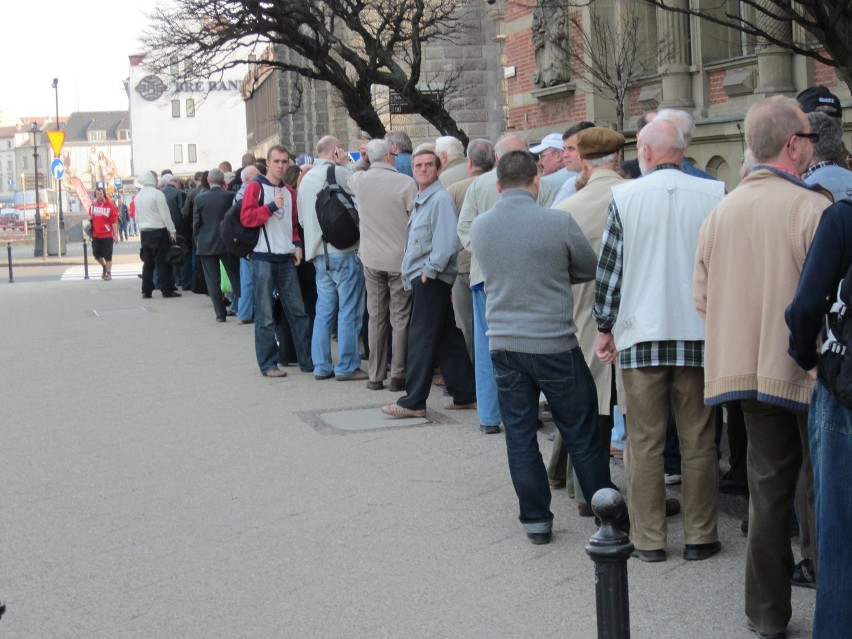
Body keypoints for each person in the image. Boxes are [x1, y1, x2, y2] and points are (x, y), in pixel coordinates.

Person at [693, 95, 829, 639]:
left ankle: (767, 616)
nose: (812, 147)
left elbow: (701, 298)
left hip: (742, 370)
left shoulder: (721, 211)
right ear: (793, 145)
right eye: (809, 138)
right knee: (824, 488)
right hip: (808, 371)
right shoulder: (810, 208)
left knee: (768, 491)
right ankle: (832, 605)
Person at [470, 149, 626, 544]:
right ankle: (604, 513)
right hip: (554, 342)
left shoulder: (483, 227)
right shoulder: (558, 221)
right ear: (537, 181)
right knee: (582, 429)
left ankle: (536, 520)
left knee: (519, 434)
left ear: (498, 185)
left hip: (504, 343)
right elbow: (589, 267)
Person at [593, 118, 725, 563]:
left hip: (641, 333)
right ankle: (701, 534)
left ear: (645, 153)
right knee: (699, 439)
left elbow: (609, 272)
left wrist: (605, 326)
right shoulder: (715, 194)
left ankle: (649, 539)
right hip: (699, 334)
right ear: (683, 151)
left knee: (644, 441)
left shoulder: (625, 197)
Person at [458, 134, 557, 434]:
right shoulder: (544, 185)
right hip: (529, 274)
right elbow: (551, 225)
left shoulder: (479, 184)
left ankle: (489, 416)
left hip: (485, 274)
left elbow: (464, 228)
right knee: (528, 344)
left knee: (489, 346)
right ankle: (527, 411)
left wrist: (489, 248)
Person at [551, 127, 627, 516]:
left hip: (580, 318)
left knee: (587, 410)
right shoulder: (634, 198)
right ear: (619, 157)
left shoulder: (566, 210)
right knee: (635, 414)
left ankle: (585, 490)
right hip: (628, 320)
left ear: (582, 161)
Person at [786, 199, 852, 639]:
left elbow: (806, 305)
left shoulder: (845, 218)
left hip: (844, 388)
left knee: (839, 533)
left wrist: (809, 358)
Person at [381, 149, 476, 419]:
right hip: (425, 277)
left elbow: (447, 243)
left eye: (428, 165)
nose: (422, 169)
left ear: (437, 169)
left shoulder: (440, 199)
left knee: (421, 338)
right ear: (412, 169)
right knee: (447, 338)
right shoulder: (424, 198)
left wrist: (429, 271)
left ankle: (414, 401)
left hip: (431, 279)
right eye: (418, 165)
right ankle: (466, 393)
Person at [348, 138, 418, 391]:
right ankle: (398, 373)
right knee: (400, 318)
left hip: (371, 258)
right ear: (390, 156)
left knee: (376, 317)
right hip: (399, 259)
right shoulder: (406, 183)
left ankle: (375, 375)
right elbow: (415, 219)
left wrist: (366, 157)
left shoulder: (361, 181)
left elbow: (352, 172)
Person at [297, 135, 367, 381]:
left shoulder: (304, 181)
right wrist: (348, 164)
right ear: (336, 150)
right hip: (343, 250)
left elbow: (304, 221)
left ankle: (321, 365)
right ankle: (347, 365)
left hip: (317, 253)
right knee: (349, 308)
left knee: (324, 309)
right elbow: (361, 187)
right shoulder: (336, 173)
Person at [241, 145, 313, 378]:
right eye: (277, 161)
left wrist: (297, 245)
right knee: (265, 315)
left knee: (298, 312)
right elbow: (247, 218)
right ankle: (268, 364)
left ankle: (307, 360)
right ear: (268, 163)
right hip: (262, 257)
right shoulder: (255, 187)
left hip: (284, 257)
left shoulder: (290, 192)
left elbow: (292, 225)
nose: (281, 166)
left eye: (285, 162)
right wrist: (271, 207)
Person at [446, 138, 496, 362]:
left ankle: (471, 371)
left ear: (469, 162)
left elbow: (449, 230)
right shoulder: (499, 185)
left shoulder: (453, 190)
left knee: (466, 324)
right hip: (492, 264)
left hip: (463, 264)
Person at [193, 168, 240, 322]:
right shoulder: (230, 196)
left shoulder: (200, 199)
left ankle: (220, 314)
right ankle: (242, 306)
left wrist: (197, 240)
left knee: (212, 280)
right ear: (223, 182)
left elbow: (196, 224)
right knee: (234, 275)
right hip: (226, 242)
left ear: (208, 181)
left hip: (206, 243)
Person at [136, 169, 180, 298]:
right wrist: (172, 231)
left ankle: (146, 290)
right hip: (158, 230)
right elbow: (165, 215)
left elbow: (137, 217)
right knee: (161, 262)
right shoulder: (157, 194)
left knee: (148, 262)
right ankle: (166, 289)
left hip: (145, 231)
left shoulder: (139, 196)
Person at [235, 165, 260, 325]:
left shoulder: (240, 193)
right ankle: (246, 313)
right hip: (250, 240)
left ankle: (244, 312)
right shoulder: (248, 193)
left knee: (246, 279)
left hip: (243, 240)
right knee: (251, 279)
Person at [552, 121, 595, 205]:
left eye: (571, 149)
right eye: (564, 149)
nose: (564, 155)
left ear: (588, 149)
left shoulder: (570, 186)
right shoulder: (570, 184)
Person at [89, 188, 119, 281]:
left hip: (107, 234)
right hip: (96, 234)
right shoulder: (93, 205)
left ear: (104, 194)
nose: (99, 196)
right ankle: (104, 266)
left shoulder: (110, 206)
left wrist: (115, 235)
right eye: (97, 194)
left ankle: (109, 273)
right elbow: (90, 216)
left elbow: (114, 221)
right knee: (96, 254)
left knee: (108, 255)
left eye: (101, 194)